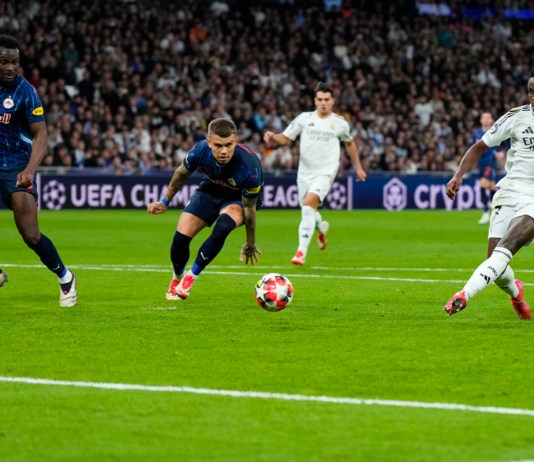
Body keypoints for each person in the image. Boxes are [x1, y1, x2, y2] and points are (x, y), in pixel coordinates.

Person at [443, 74, 534, 320]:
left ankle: (464, 295)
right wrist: (458, 175)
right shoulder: (516, 117)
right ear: (530, 94)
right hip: (510, 190)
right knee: (494, 263)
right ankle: (516, 291)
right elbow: (480, 146)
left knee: (506, 249)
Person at [147, 118, 263, 300]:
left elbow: (249, 209)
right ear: (209, 142)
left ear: (236, 140)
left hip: (237, 198)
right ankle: (176, 278)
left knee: (223, 227)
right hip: (210, 190)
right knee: (180, 240)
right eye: (218, 145)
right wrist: (164, 202)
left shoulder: (250, 167)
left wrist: (250, 243)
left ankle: (190, 278)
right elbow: (180, 174)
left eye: (229, 145)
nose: (224, 151)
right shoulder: (200, 150)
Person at [0, 34, 77, 307]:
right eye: (4, 62)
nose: (10, 67)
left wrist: (31, 170)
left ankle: (65, 276)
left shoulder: (26, 91)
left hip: (17, 167)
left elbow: (41, 135)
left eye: (14, 62)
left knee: (31, 235)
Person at [263, 81, 366, 265]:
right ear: (315, 101)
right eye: (320, 99)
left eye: (327, 99)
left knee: (309, 204)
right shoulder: (304, 119)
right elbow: (285, 138)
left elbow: (349, 143)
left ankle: (300, 252)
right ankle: (321, 228)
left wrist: (358, 166)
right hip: (304, 172)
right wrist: (273, 137)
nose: (323, 103)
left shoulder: (340, 124)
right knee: (308, 210)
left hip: (326, 171)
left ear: (333, 101)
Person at [472, 111, 499, 224]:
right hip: (481, 164)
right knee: (492, 188)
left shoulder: (497, 132)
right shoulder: (476, 133)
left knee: (483, 185)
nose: (486, 119)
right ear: (481, 120)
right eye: (484, 117)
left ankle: (485, 213)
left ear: (492, 120)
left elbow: (503, 145)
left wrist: (499, 152)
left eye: (488, 117)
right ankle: (497, 212)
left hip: (490, 164)